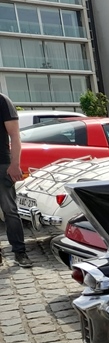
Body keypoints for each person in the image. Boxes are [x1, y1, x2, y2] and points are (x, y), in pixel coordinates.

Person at [0, 92, 31, 267]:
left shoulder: (2, 101)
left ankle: (20, 252)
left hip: (2, 164)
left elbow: (15, 135)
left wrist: (15, 164)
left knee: (10, 210)